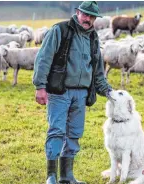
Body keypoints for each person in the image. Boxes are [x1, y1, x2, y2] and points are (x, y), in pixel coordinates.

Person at [33, 1, 113, 184]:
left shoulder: (93, 37)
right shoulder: (60, 30)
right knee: (56, 131)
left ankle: (66, 177)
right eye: (85, 15)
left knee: (74, 134)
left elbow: (97, 70)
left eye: (92, 17)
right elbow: (43, 58)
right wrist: (40, 86)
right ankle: (51, 176)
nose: (88, 19)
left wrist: (109, 91)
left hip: (81, 94)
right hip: (59, 92)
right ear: (77, 12)